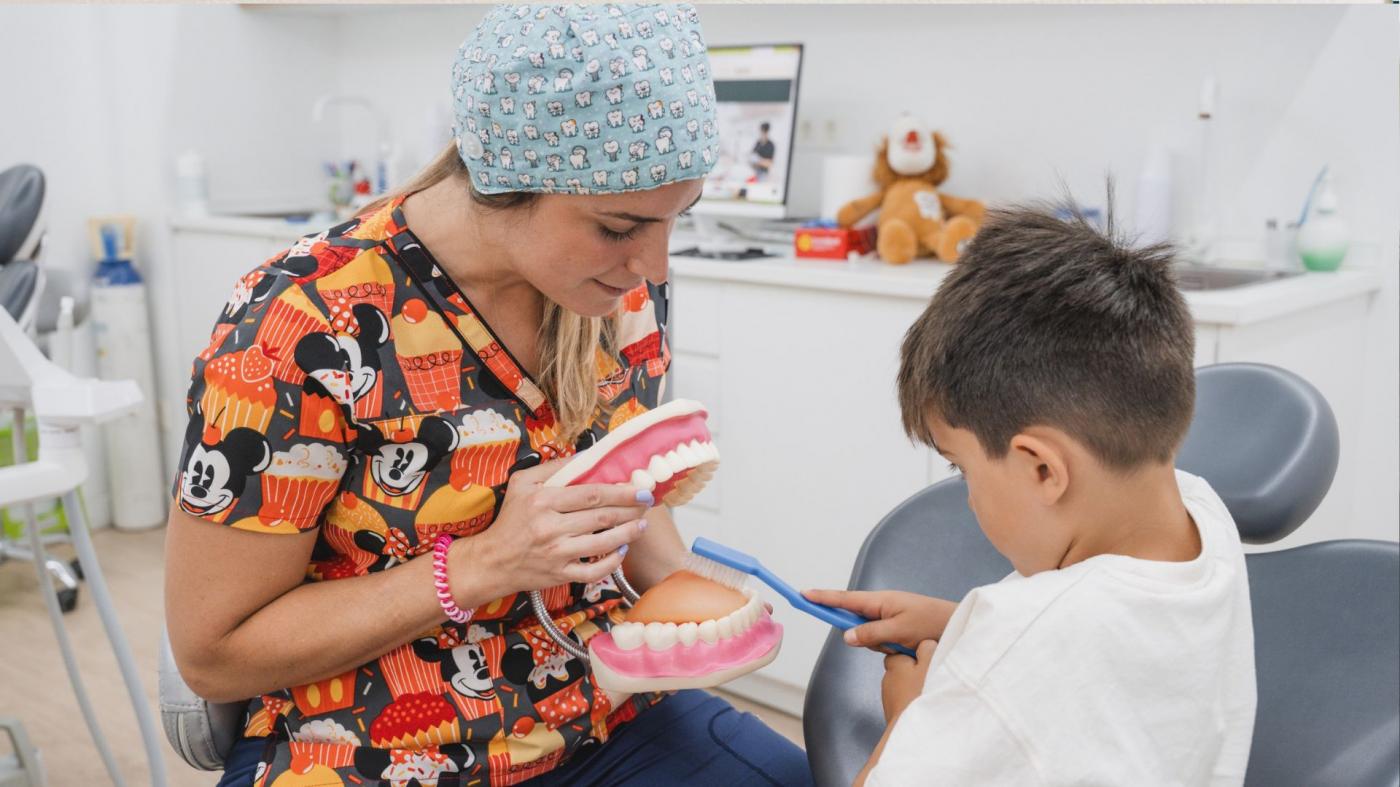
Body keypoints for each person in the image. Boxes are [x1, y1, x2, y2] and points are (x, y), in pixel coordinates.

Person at [164, 4, 812, 785]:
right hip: (366, 748)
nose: (656, 266)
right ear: (507, 182)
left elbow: (621, 497)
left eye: (677, 220)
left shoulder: (615, 298)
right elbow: (214, 652)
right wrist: (479, 565)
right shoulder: (303, 322)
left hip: (603, 716)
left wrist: (698, 605)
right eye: (618, 227)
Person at [807, 204, 1258, 785]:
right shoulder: (1201, 515)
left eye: (960, 467)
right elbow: (1113, 650)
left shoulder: (1009, 663)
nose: (968, 497)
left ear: (1043, 468)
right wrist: (962, 625)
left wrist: (906, 719)